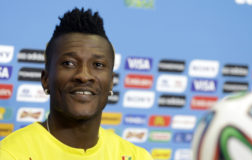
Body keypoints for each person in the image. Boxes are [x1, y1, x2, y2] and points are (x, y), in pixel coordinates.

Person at [0, 8, 153, 160]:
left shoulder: (136, 156)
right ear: (46, 79)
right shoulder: (11, 154)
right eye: (69, 63)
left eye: (98, 65)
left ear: (111, 83)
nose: (84, 76)